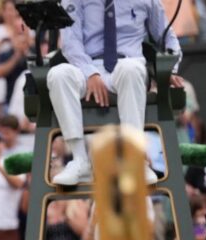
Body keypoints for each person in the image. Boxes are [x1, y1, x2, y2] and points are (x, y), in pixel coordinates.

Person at [48, 0, 183, 186]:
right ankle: (80, 160)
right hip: (86, 66)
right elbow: (70, 43)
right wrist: (90, 73)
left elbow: (168, 38)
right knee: (59, 74)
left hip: (127, 65)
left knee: (131, 69)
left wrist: (171, 69)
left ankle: (134, 159)